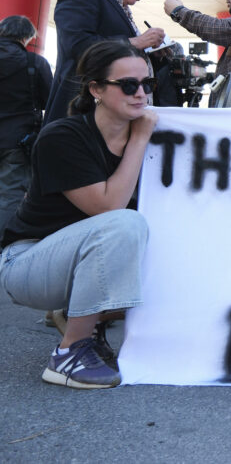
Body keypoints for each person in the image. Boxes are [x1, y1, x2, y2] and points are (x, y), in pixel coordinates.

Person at [0, 40, 156, 389]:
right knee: (125, 224)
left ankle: (89, 319)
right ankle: (69, 353)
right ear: (96, 89)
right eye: (128, 85)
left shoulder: (149, 132)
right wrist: (140, 140)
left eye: (147, 83)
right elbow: (109, 208)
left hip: (81, 259)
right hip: (26, 263)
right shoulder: (62, 137)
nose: (141, 94)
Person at [44, 0, 167, 125]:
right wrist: (136, 42)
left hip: (111, 122)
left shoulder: (120, 8)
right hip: (82, 117)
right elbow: (78, 45)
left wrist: (151, 53)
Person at [0, 16, 53, 230]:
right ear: (28, 37)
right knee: (9, 194)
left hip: (15, 137)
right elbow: (47, 99)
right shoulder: (35, 62)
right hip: (18, 139)